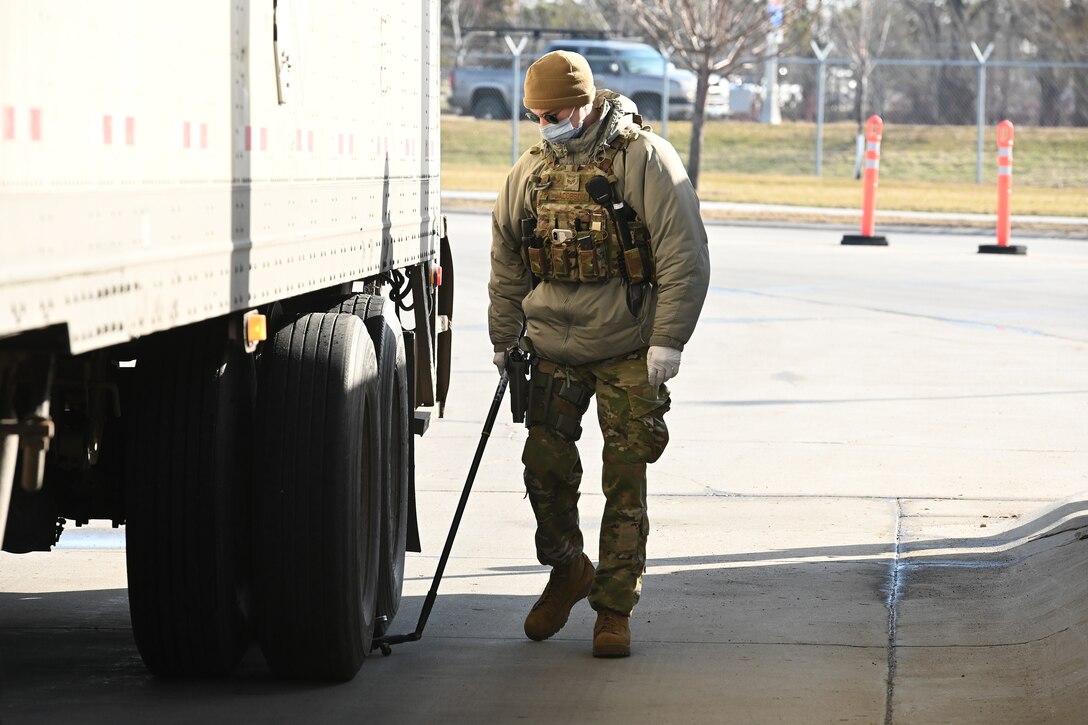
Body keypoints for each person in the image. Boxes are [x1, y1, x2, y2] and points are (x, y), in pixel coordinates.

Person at [488, 50, 710, 658]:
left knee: (625, 476)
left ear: (584, 102)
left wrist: (669, 339)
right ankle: (567, 568)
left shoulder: (644, 159)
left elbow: (683, 255)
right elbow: (507, 254)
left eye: (554, 112)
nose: (545, 124)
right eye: (535, 115)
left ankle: (614, 607)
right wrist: (504, 337)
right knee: (544, 468)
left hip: (627, 345)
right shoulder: (532, 169)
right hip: (553, 343)